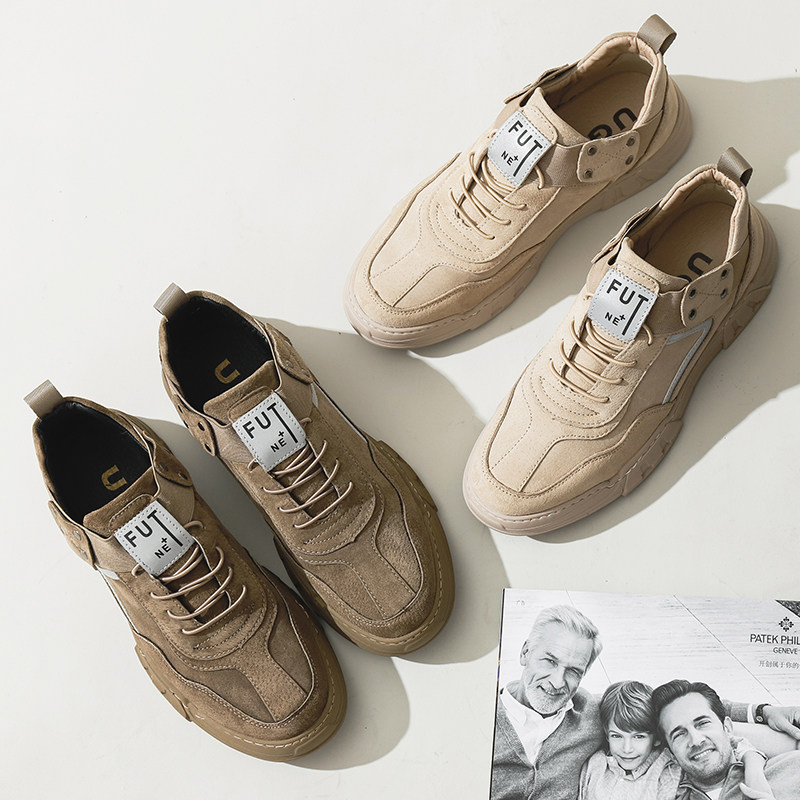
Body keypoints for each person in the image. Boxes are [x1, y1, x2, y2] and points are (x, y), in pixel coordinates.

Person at [491, 605, 800, 800]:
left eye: (574, 671)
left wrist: (762, 712)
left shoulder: (589, 711)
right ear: (525, 652)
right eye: (549, 661)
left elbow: (681, 703)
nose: (558, 682)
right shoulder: (481, 722)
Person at [579, 681, 770, 800]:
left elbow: (728, 741)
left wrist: (753, 763)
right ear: (607, 735)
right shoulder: (595, 764)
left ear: (656, 738)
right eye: (616, 736)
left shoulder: (666, 762)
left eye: (639, 736)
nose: (627, 748)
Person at [652, 680, 800, 800]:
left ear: (728, 728)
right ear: (671, 754)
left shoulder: (791, 769)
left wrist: (762, 711)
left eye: (703, 723)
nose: (696, 740)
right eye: (679, 734)